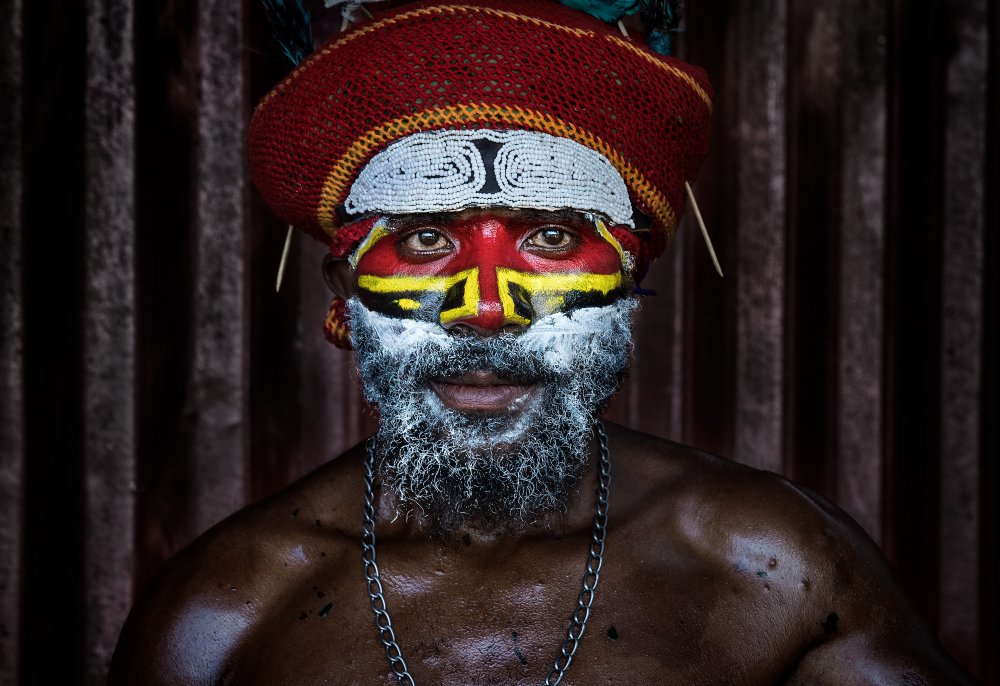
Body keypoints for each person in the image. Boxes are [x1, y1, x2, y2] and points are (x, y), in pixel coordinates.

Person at [108, 1, 977, 684]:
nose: (487, 309)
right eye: (423, 240)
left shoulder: (777, 570)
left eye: (554, 238)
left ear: (631, 279)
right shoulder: (224, 611)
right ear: (345, 293)